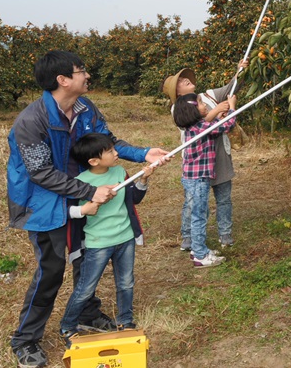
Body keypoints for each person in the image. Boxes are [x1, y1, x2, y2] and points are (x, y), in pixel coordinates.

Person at [7, 50, 168, 368]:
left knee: (85, 253)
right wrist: (90, 191)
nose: (87, 75)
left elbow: (107, 141)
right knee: (51, 270)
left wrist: (144, 153)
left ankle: (87, 313)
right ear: (63, 80)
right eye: (81, 70)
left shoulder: (84, 108)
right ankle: (25, 340)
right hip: (43, 202)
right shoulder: (31, 121)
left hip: (79, 193)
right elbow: (41, 174)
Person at [59, 133, 156, 346]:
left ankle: (125, 322)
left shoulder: (120, 172)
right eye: (110, 151)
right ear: (93, 161)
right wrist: (87, 208)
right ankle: (67, 326)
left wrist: (143, 179)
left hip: (125, 238)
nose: (116, 153)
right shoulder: (81, 183)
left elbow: (135, 199)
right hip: (99, 243)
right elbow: (68, 210)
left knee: (126, 282)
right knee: (86, 288)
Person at [161, 61, 247, 250]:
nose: (186, 80)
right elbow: (196, 127)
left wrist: (240, 70)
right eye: (181, 81)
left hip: (218, 154)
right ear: (177, 92)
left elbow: (231, 87)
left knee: (224, 197)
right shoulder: (179, 109)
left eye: (185, 78)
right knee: (193, 202)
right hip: (198, 161)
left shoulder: (207, 95)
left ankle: (225, 233)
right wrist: (218, 112)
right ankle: (188, 236)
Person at [172, 92, 238, 267]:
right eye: (201, 103)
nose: (204, 105)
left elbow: (215, 127)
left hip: (194, 178)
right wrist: (232, 108)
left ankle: (197, 248)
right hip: (198, 180)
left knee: (200, 213)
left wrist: (218, 116)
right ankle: (200, 255)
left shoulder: (197, 126)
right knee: (199, 216)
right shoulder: (200, 128)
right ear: (192, 110)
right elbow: (227, 126)